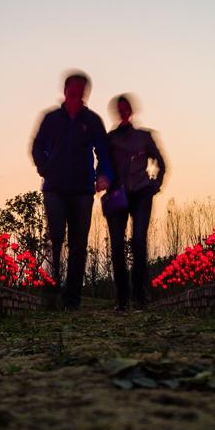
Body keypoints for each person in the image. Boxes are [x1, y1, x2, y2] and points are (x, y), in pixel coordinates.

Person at [31, 71, 113, 310]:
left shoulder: (93, 121)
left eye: (81, 92)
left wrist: (103, 175)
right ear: (65, 91)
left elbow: (104, 153)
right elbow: (37, 146)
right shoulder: (51, 119)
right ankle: (51, 291)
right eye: (72, 92)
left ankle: (72, 299)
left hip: (82, 192)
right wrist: (45, 168)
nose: (76, 96)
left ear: (86, 93)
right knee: (55, 237)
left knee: (78, 244)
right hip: (55, 189)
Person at [105, 94, 166, 311]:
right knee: (117, 246)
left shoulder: (144, 137)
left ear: (131, 110)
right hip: (117, 196)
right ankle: (122, 298)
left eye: (126, 108)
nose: (123, 111)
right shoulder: (110, 138)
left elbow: (161, 162)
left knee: (139, 242)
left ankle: (140, 295)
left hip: (141, 193)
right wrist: (103, 179)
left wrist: (154, 184)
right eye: (119, 108)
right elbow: (102, 164)